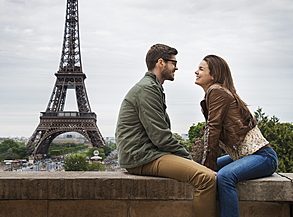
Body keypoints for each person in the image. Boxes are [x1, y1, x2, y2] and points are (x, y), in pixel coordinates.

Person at [115, 44, 217, 217]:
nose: (176, 67)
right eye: (173, 62)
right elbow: (161, 137)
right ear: (161, 62)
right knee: (206, 179)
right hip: (142, 157)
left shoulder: (151, 87)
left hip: (144, 154)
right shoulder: (147, 89)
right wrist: (189, 160)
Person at [194, 54, 278, 217]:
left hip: (263, 157)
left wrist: (209, 166)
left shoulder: (216, 90)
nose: (196, 72)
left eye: (201, 69)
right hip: (244, 156)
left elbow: (213, 129)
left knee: (224, 177)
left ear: (214, 74)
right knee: (197, 169)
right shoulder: (215, 92)